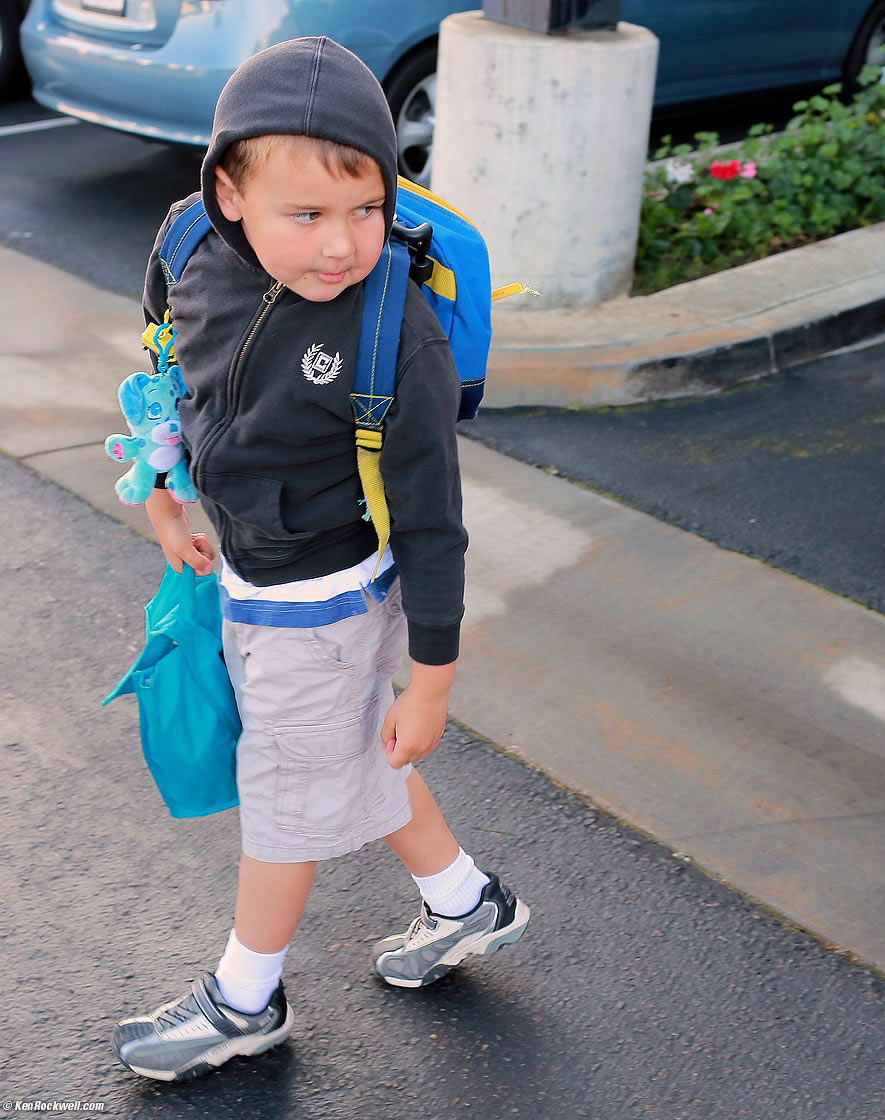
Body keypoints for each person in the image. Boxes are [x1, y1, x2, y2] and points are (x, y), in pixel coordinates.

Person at [110, 36, 529, 1083]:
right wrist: (162, 492)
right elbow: (165, 372)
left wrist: (431, 680)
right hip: (246, 566)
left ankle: (244, 998)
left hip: (323, 599)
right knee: (345, 751)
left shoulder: (397, 331)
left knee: (284, 800)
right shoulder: (188, 250)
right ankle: (463, 901)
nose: (342, 245)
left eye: (367, 207)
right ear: (229, 196)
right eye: (305, 215)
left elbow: (434, 523)